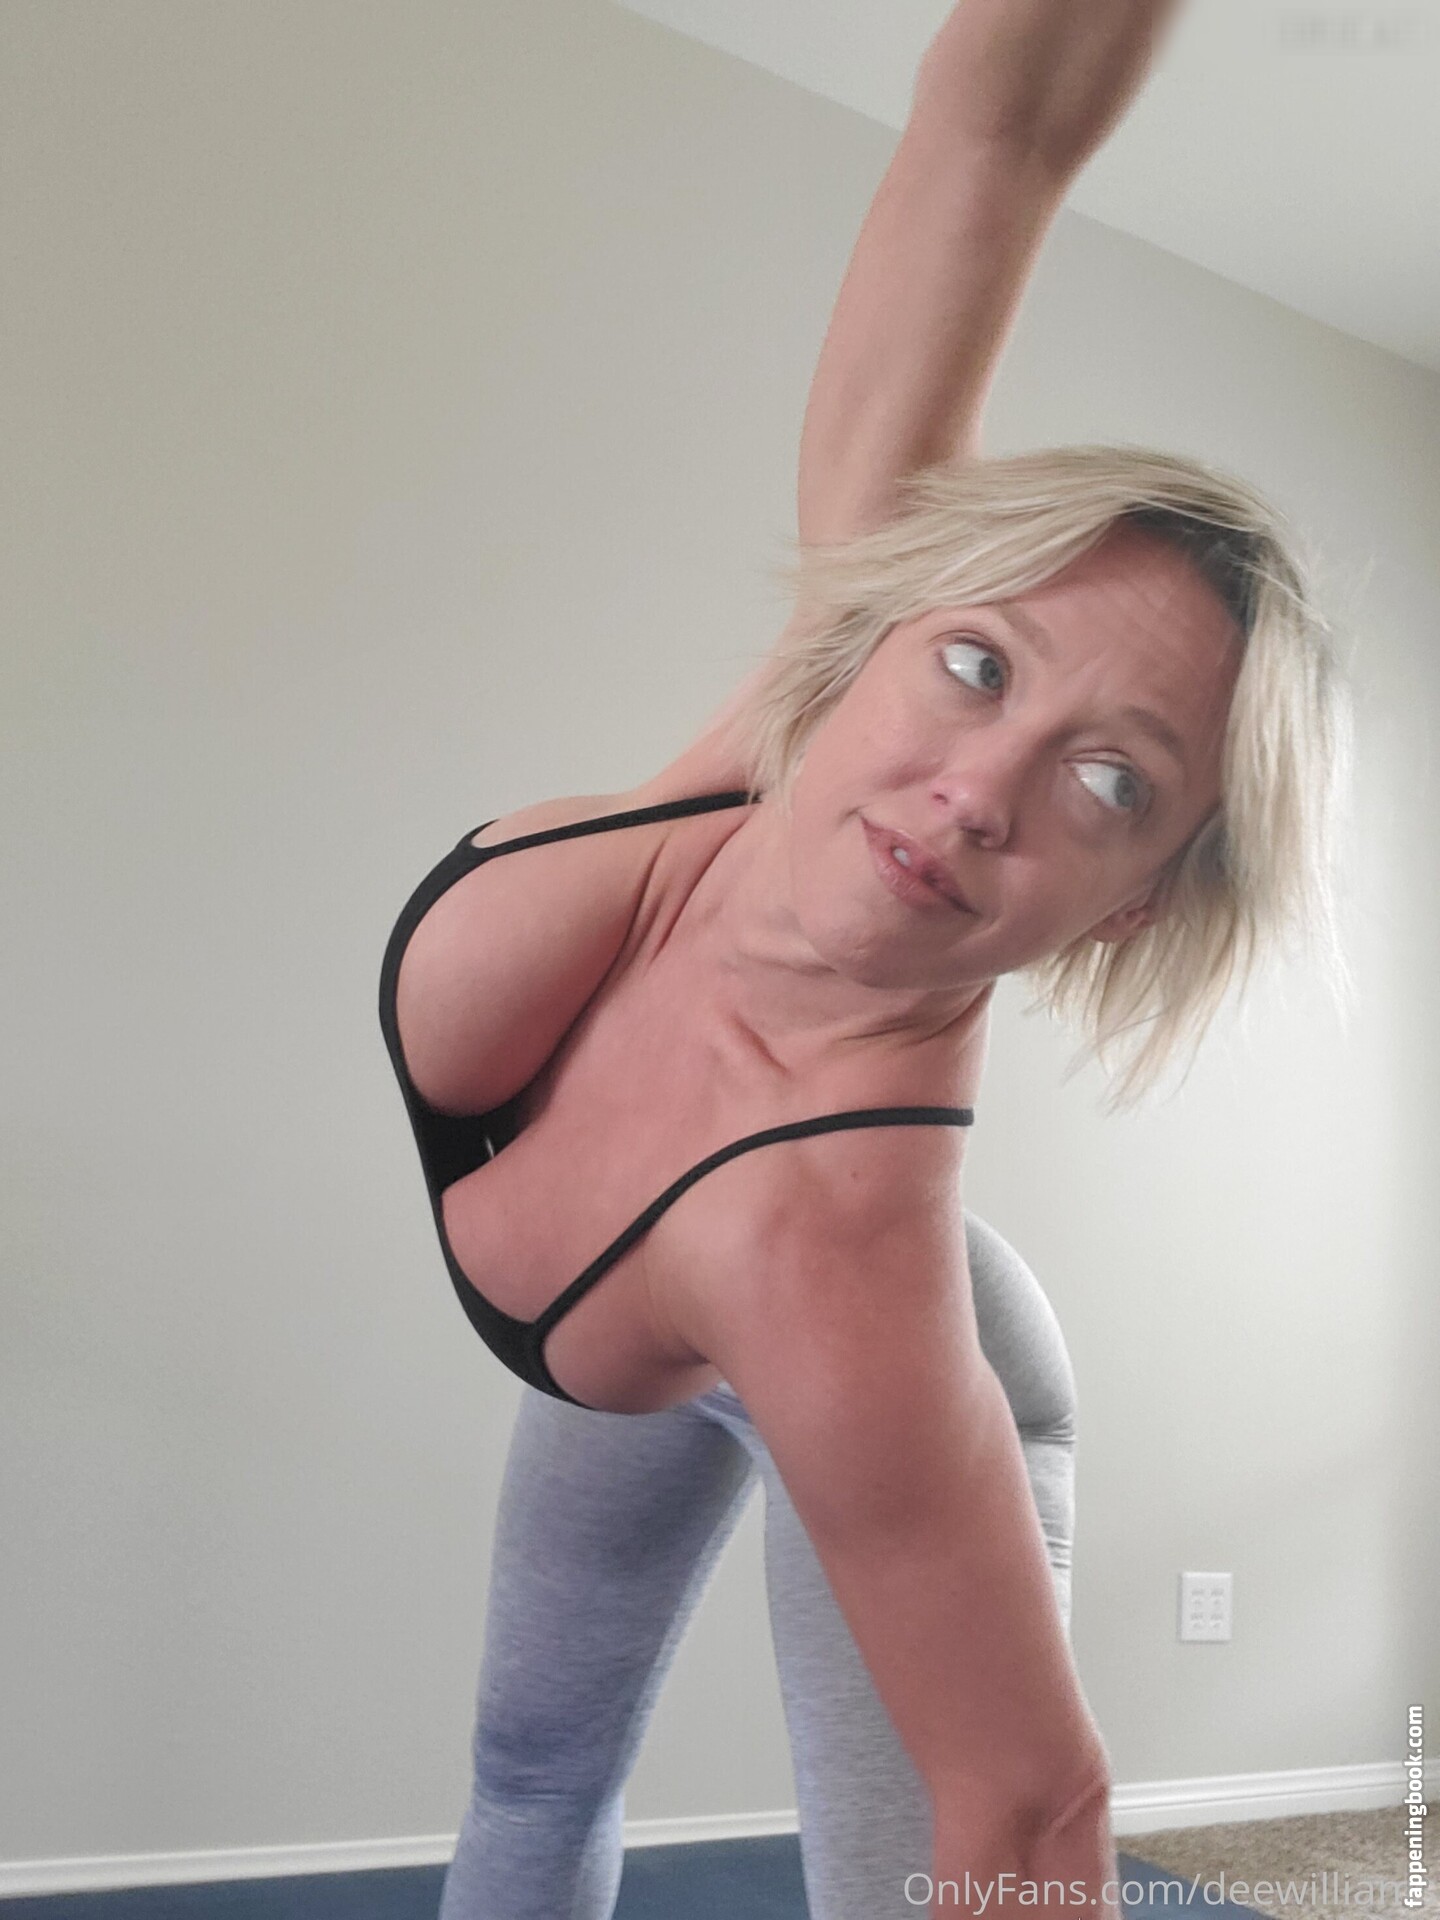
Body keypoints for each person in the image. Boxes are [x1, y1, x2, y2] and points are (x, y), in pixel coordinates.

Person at [378, 2, 1352, 1915]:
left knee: (913, 1860)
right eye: (979, 666)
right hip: (643, 1325)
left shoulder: (837, 1275)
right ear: (884, 627)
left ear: (1134, 902)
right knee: (532, 1763)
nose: (975, 788)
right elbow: (998, 128)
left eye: (1110, 781)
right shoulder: (838, 663)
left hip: (884, 1329)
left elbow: (1039, 1816)